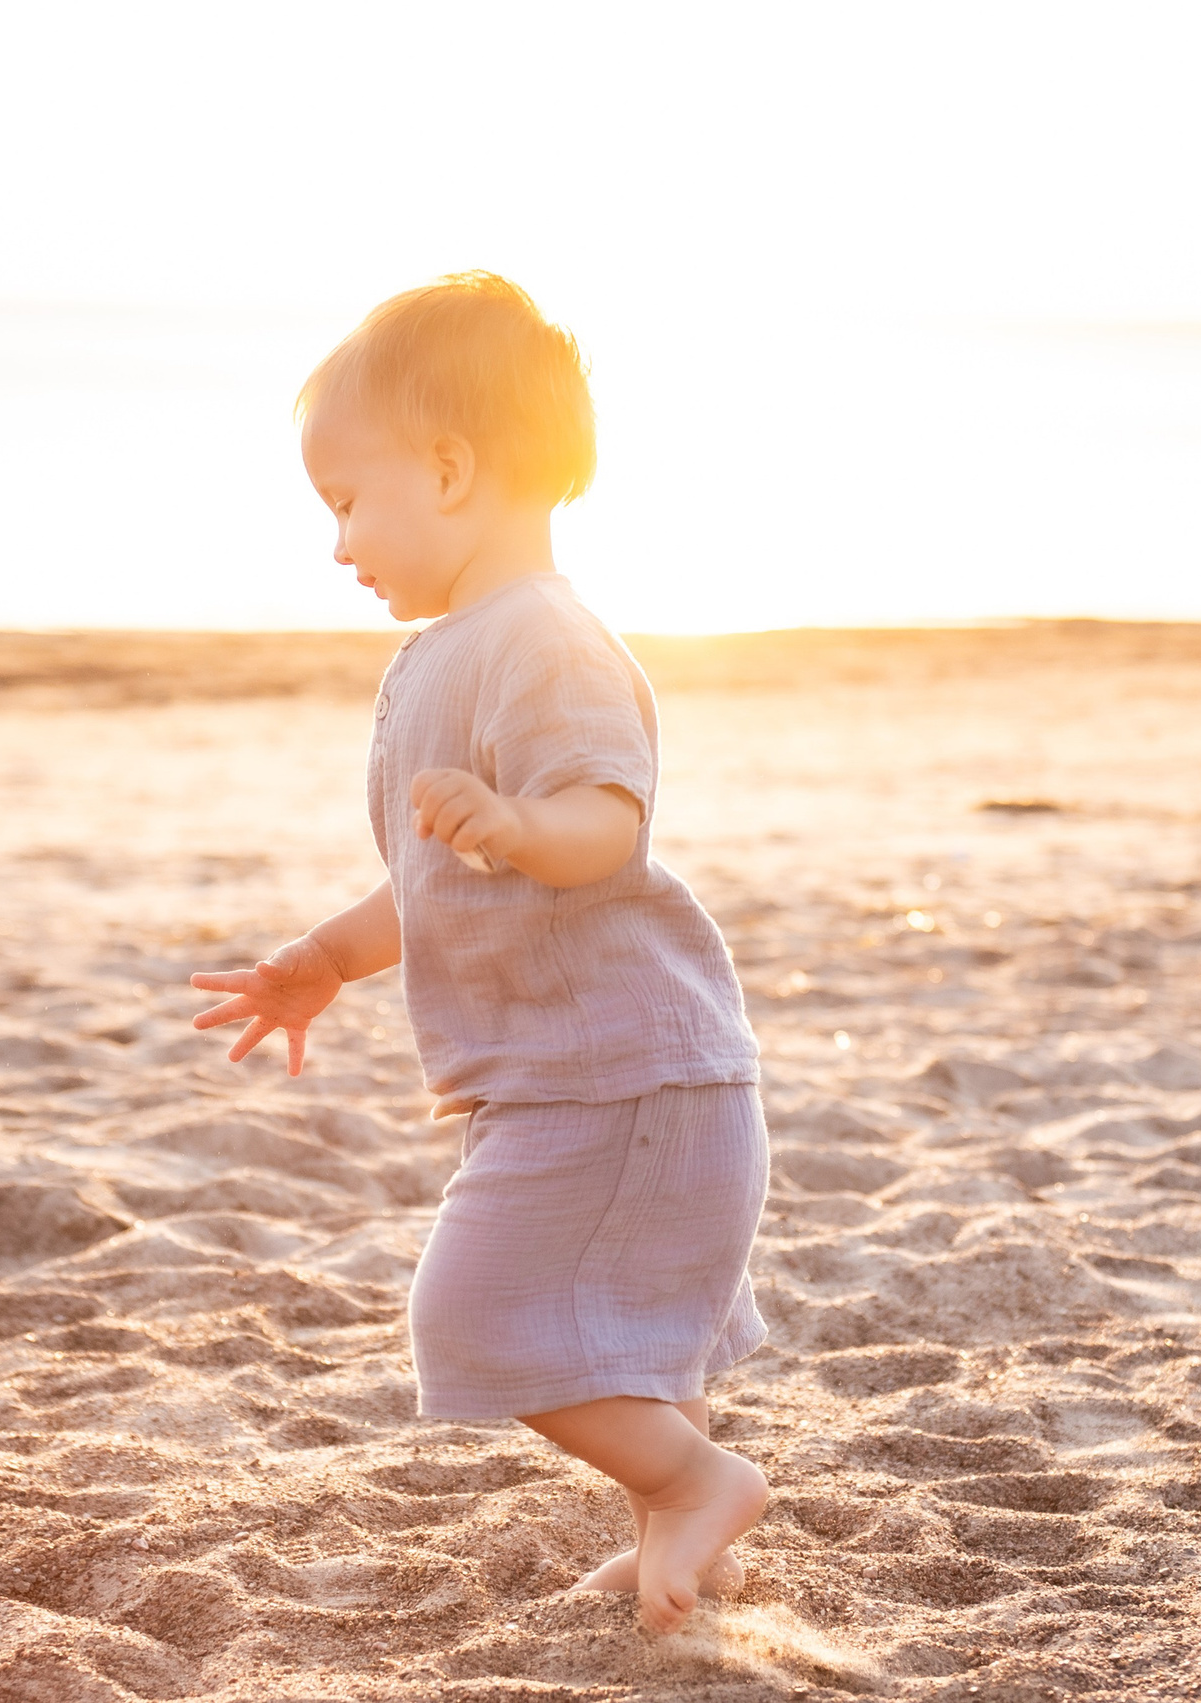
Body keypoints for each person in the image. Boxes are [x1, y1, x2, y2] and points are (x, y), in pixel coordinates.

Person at [188, 273, 769, 1634]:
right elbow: (434, 885)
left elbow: (606, 827)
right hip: (584, 1083)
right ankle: (686, 1547)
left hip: (628, 1080)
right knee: (625, 1335)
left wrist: (520, 821)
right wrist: (330, 957)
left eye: (346, 500)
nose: (338, 545)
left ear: (450, 469)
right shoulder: (454, 649)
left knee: (478, 1317)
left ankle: (698, 1486)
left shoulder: (547, 642)